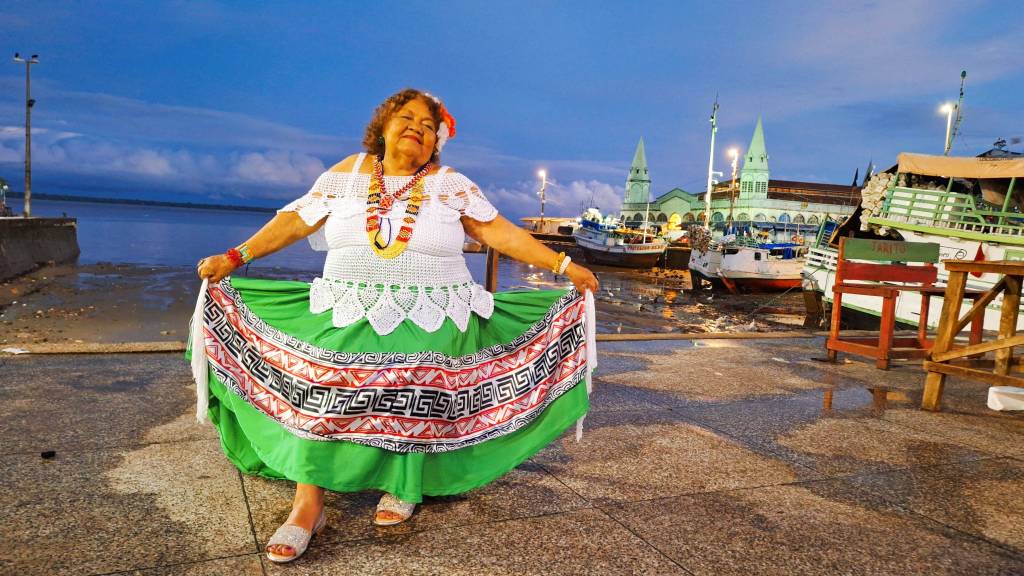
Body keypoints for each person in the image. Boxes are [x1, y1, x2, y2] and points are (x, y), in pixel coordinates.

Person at [192, 88, 599, 563]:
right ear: (382, 127)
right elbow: (295, 221)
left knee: (421, 374)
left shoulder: (451, 183)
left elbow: (497, 231)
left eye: (428, 126)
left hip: (438, 308)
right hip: (347, 304)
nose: (417, 129)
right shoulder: (348, 173)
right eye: (406, 118)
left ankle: (405, 485)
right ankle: (309, 503)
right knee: (322, 384)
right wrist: (236, 255)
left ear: (437, 142)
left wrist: (563, 264)